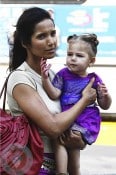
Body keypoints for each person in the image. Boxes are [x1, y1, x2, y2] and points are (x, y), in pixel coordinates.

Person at [7, 7, 97, 175]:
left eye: (52, 33)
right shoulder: (20, 78)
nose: (51, 41)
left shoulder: (53, 76)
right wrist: (84, 100)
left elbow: (71, 122)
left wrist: (80, 141)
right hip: (33, 166)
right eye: (41, 36)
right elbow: (53, 128)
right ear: (26, 43)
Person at [40, 33, 112, 175]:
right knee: (62, 143)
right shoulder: (63, 74)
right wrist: (45, 79)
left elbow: (105, 105)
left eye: (79, 56)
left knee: (67, 143)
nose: (72, 58)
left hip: (85, 121)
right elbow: (54, 93)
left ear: (91, 60)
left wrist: (105, 95)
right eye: (69, 54)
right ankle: (64, 172)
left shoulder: (94, 79)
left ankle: (67, 172)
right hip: (67, 118)